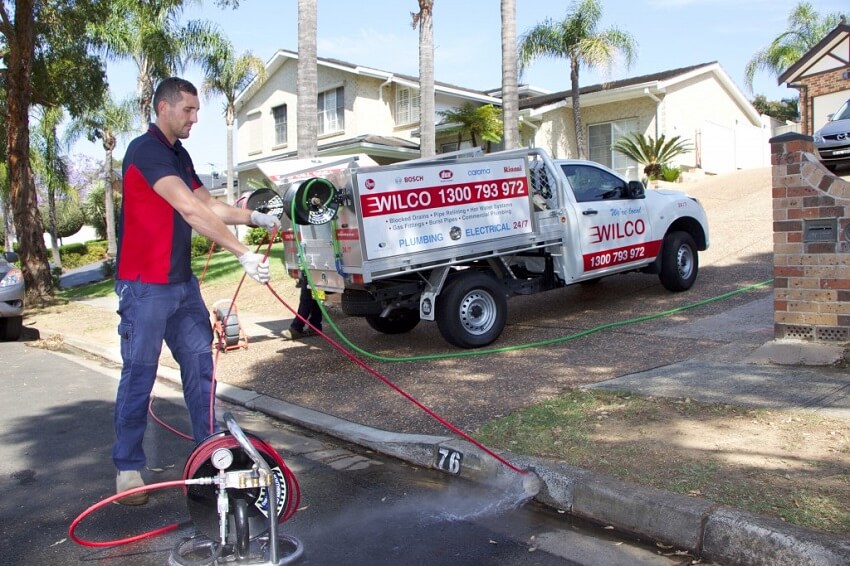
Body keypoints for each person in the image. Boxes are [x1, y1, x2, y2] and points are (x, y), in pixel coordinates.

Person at [112, 77, 281, 505]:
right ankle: (128, 469)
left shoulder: (178, 155)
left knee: (201, 367)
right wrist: (242, 252)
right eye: (188, 110)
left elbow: (209, 205)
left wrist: (252, 218)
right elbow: (188, 209)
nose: (195, 117)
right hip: (144, 287)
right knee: (140, 375)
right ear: (164, 108)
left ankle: (209, 453)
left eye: (196, 109)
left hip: (181, 286)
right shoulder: (146, 151)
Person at [281, 271, 323, 339]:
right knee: (315, 297)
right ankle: (315, 327)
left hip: (312, 269)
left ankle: (296, 328)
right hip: (315, 269)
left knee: (306, 298)